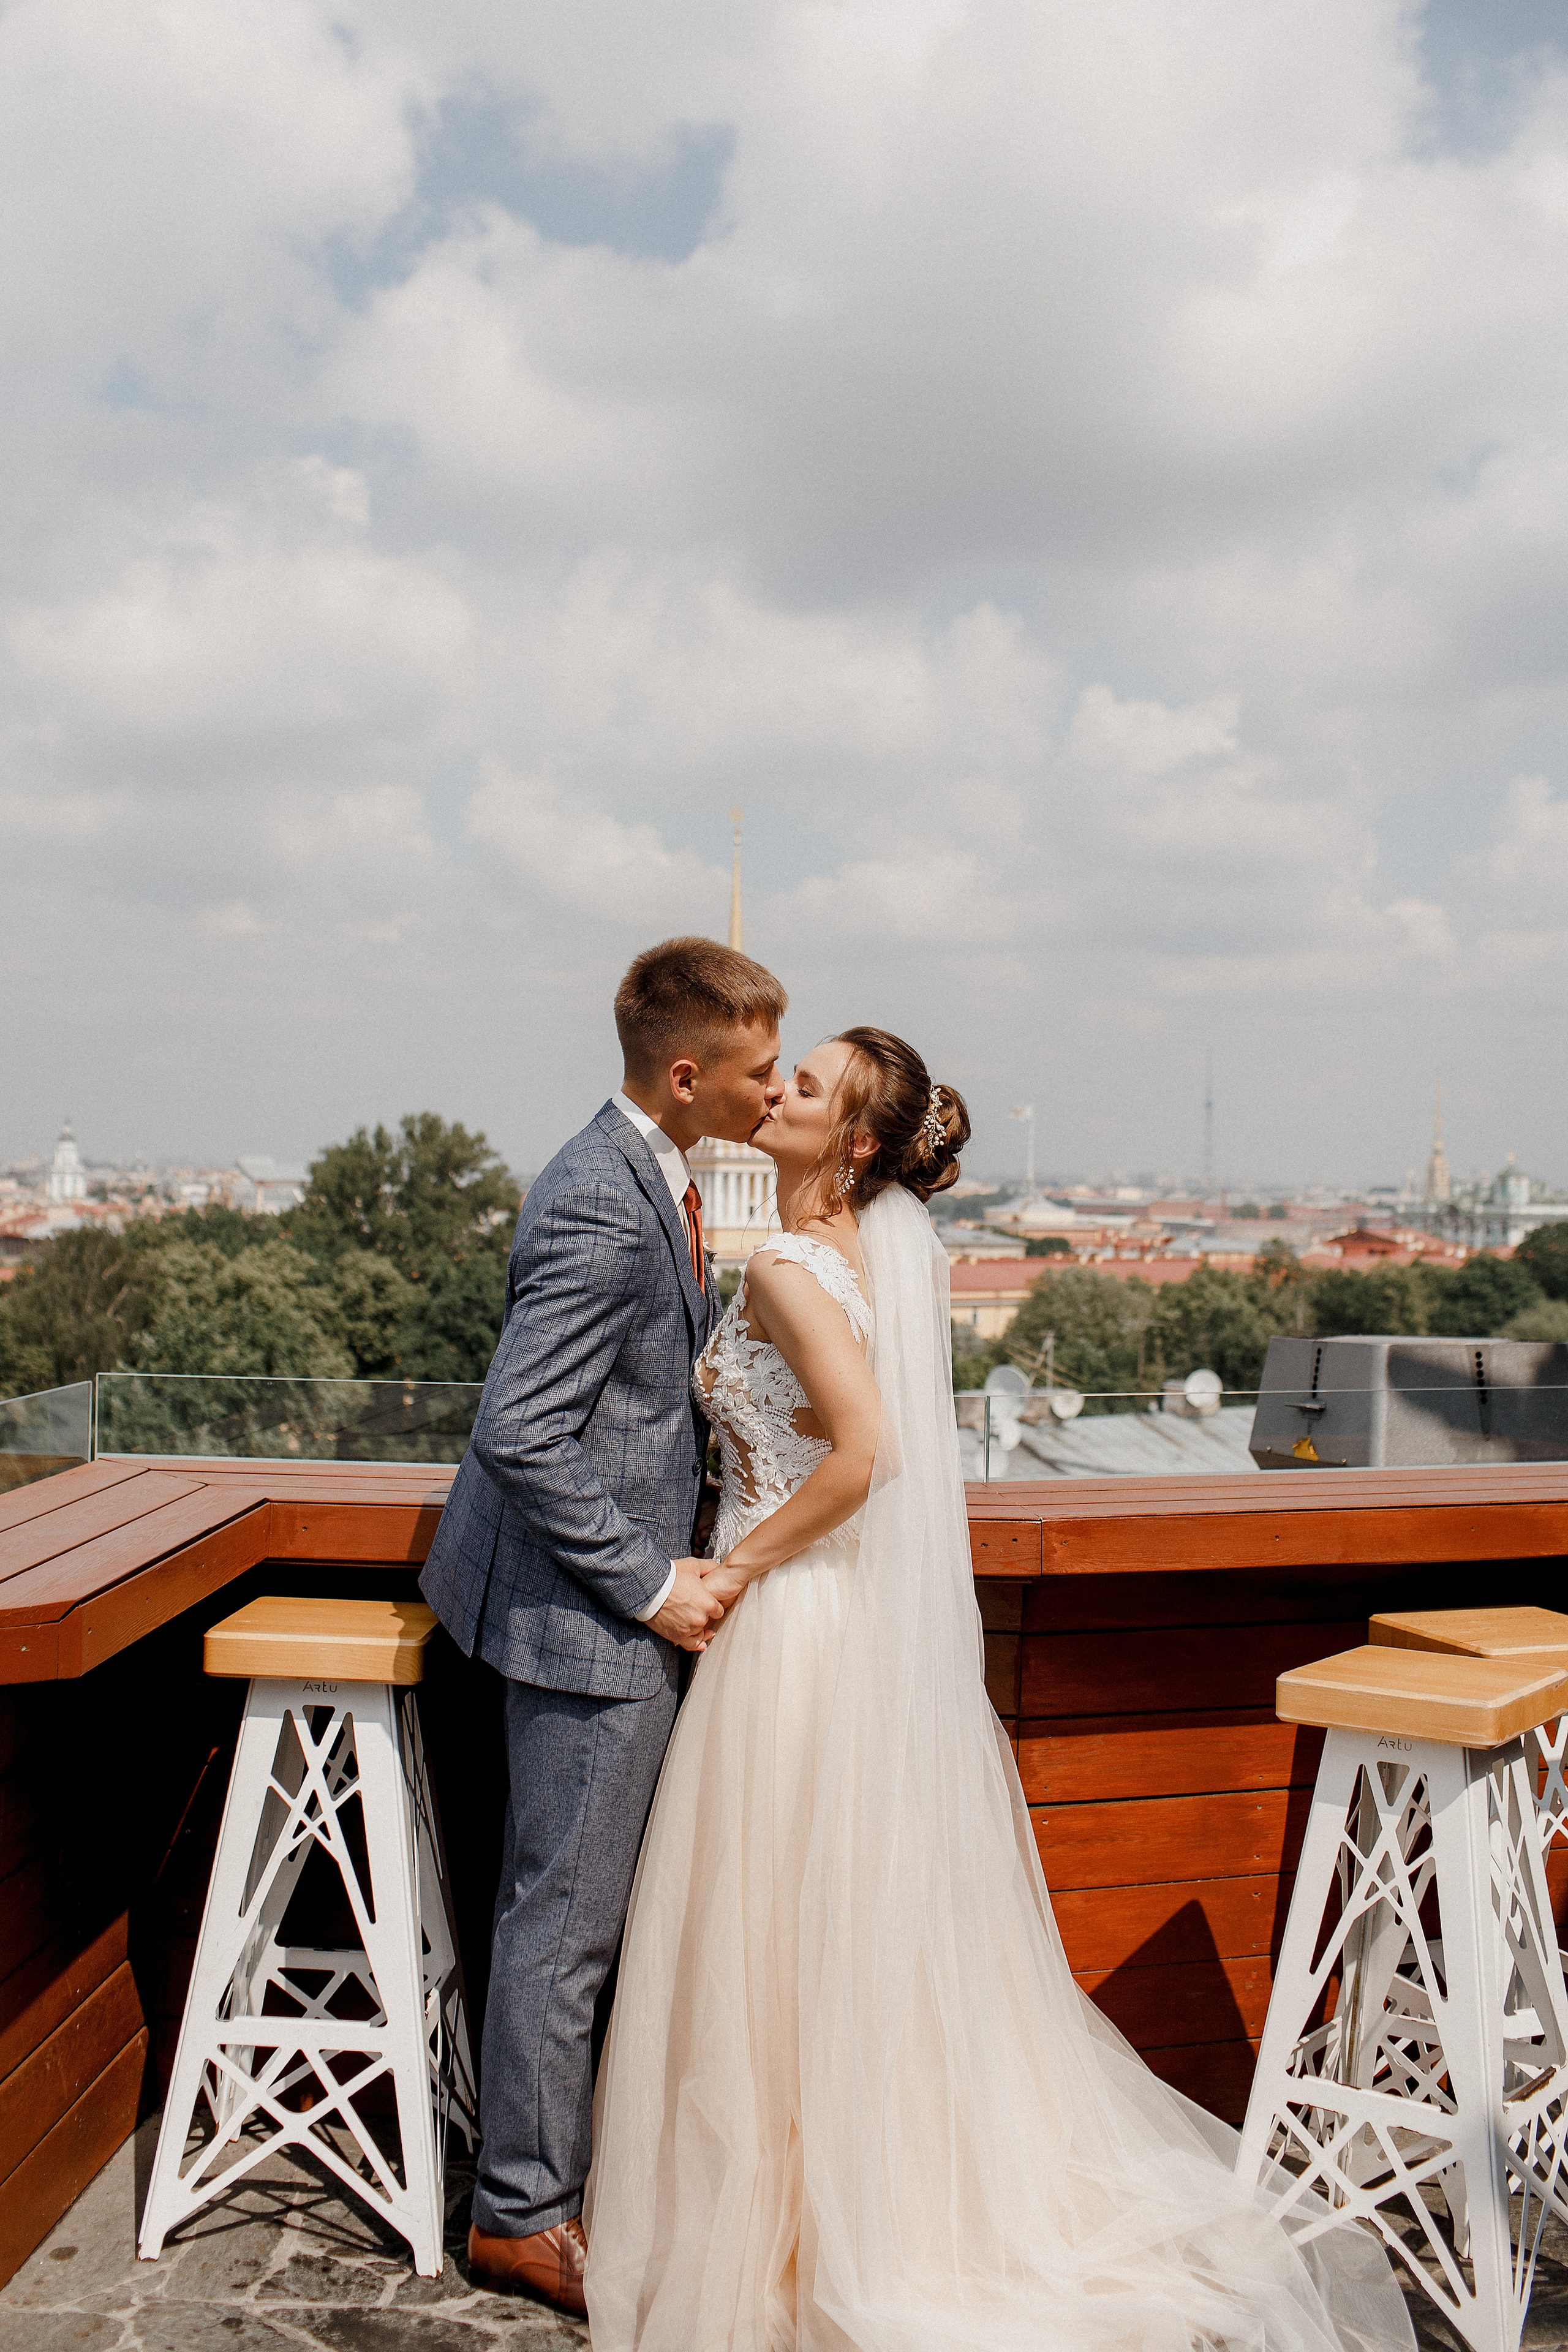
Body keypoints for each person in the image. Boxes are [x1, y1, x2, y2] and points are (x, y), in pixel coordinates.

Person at [584, 1027, 1415, 2352]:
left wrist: (727, 1569)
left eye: (804, 1087)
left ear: (851, 1145)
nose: (778, 1090)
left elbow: (863, 1460)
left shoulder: (795, 1266)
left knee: (772, 1929)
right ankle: (840, 2199)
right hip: (839, 1623)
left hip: (792, 1627)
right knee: (830, 1930)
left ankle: (794, 2219)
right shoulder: (856, 1257)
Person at [420, 936, 787, 2318]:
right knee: (563, 1921)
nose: (770, 1095)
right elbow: (518, 1426)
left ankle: (551, 2172)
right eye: (755, 1073)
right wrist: (648, 1583)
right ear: (685, 1075)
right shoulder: (597, 1197)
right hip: (585, 1626)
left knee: (570, 1914)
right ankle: (519, 2216)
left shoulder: (650, 1168)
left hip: (596, 1604)